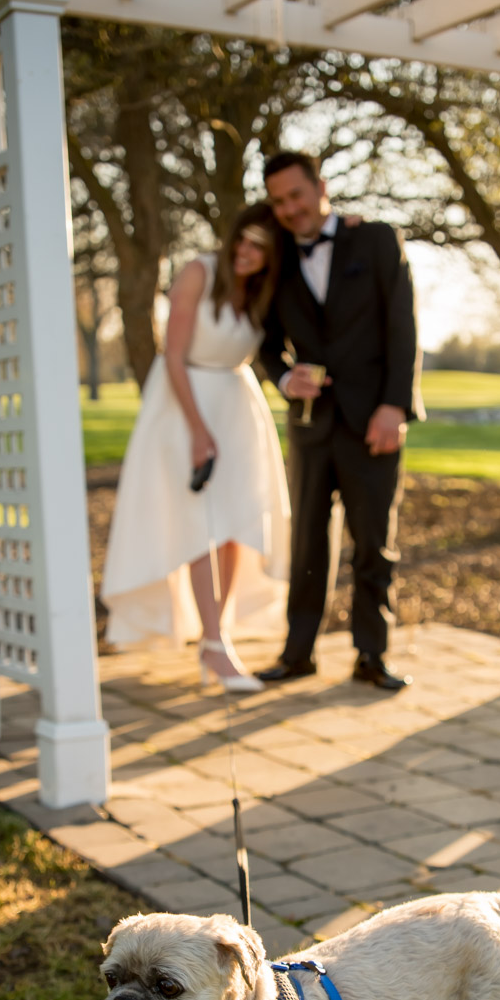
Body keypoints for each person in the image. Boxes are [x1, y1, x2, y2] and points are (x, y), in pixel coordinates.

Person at [101, 205, 290, 691]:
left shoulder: (263, 292)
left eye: (260, 248)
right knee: (199, 524)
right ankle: (213, 642)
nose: (247, 254)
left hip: (238, 405)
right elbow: (175, 356)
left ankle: (217, 635)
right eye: (243, 241)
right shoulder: (198, 272)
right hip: (185, 406)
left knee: (234, 526)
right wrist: (198, 430)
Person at [256, 150, 422, 691]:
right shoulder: (273, 255)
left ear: (320, 187)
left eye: (296, 195)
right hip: (309, 426)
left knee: (374, 541)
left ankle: (371, 656)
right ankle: (298, 653)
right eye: (278, 201)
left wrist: (395, 407)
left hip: (374, 419)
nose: (289, 209)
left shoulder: (374, 239)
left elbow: (403, 326)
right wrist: (282, 377)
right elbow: (260, 336)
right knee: (306, 542)